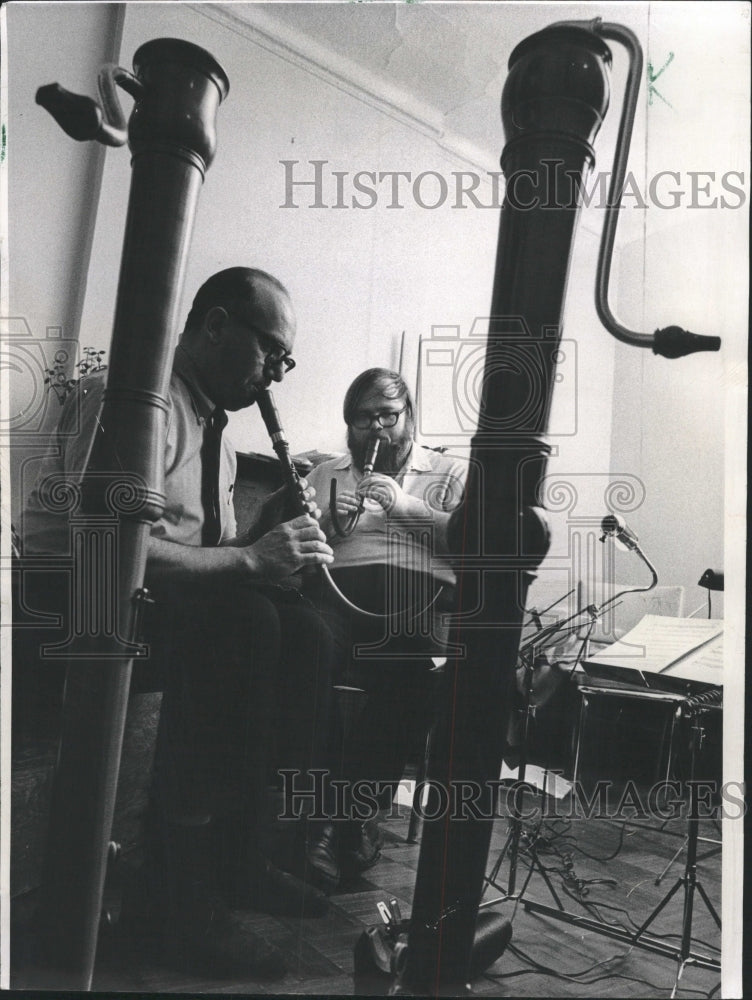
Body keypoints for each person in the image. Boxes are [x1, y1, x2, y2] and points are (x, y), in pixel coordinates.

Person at [18, 268, 340, 979]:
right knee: (248, 626)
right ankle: (179, 906)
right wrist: (251, 564)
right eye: (271, 355)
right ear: (216, 325)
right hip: (74, 598)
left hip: (155, 596)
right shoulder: (138, 397)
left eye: (285, 365)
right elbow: (104, 544)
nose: (273, 379)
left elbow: (210, 551)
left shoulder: (219, 427)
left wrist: (270, 533)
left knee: (312, 636)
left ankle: (248, 855)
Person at [303, 368, 467, 887]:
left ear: (409, 417)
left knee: (409, 671)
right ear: (348, 424)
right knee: (303, 652)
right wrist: (327, 524)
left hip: (417, 599)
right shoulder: (325, 472)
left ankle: (347, 818)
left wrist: (405, 506)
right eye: (363, 418)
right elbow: (299, 548)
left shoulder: (449, 471)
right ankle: (327, 818)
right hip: (337, 590)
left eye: (388, 417)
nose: (377, 430)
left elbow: (472, 547)